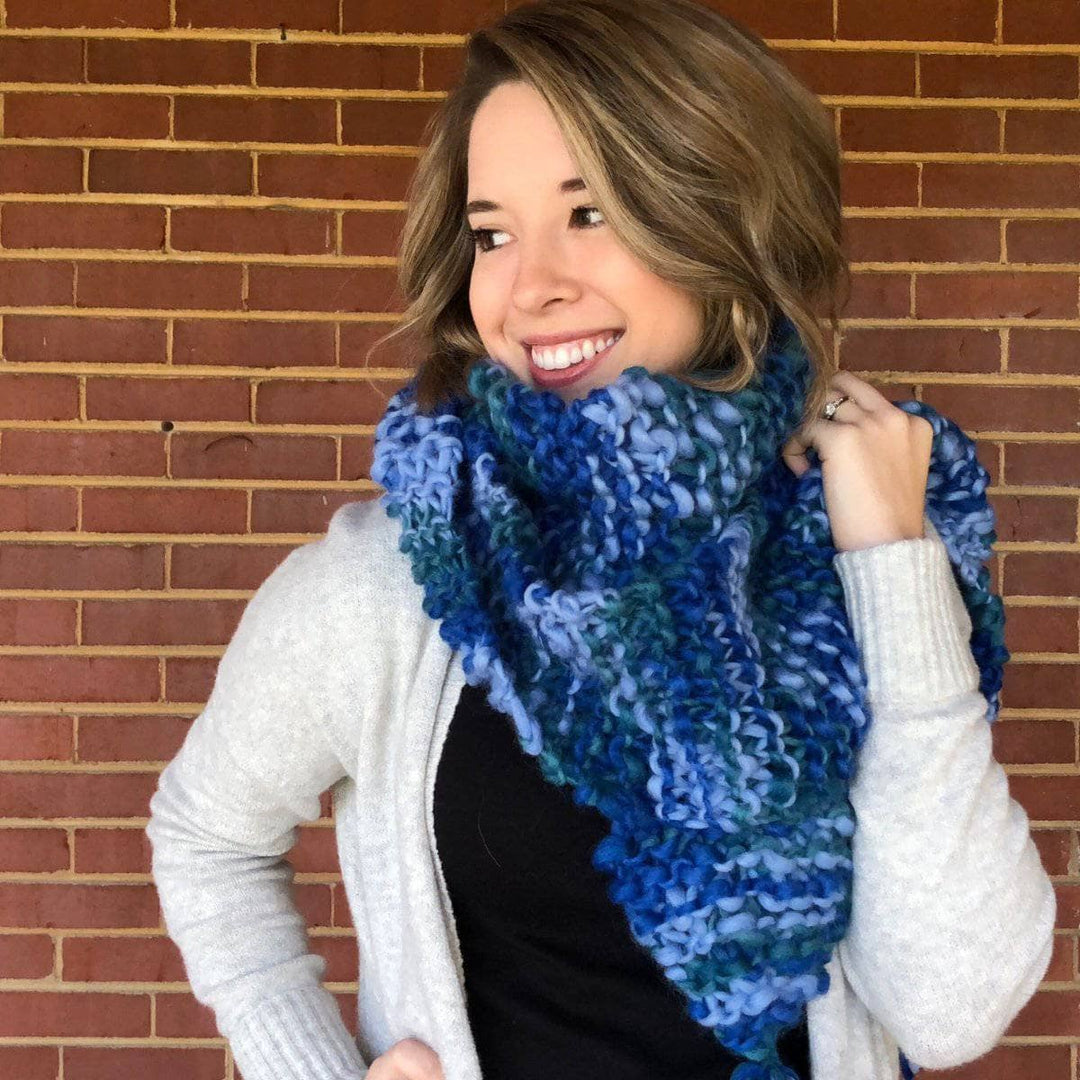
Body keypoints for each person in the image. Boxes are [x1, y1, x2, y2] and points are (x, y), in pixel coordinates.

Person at [145, 2, 1056, 1079]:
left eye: (592, 213)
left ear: (724, 222)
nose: (530, 286)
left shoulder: (852, 553)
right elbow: (207, 838)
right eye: (493, 232)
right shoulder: (393, 588)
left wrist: (893, 567)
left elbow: (953, 1007)